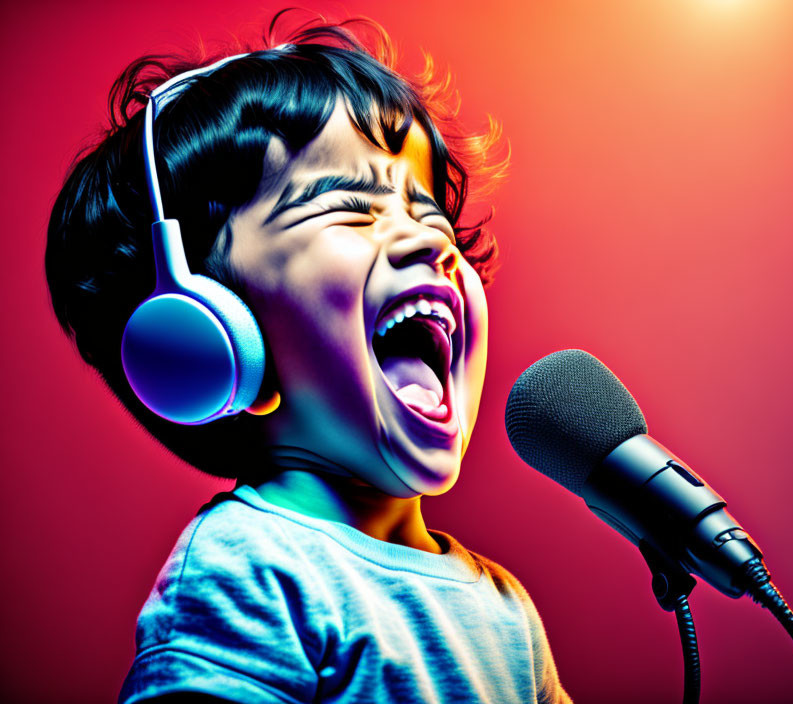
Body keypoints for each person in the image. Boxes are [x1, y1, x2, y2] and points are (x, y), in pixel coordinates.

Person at [46, 13, 570, 704]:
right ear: (212, 334)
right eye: (352, 210)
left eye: (431, 215)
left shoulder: (507, 610)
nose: (428, 242)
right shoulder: (250, 567)